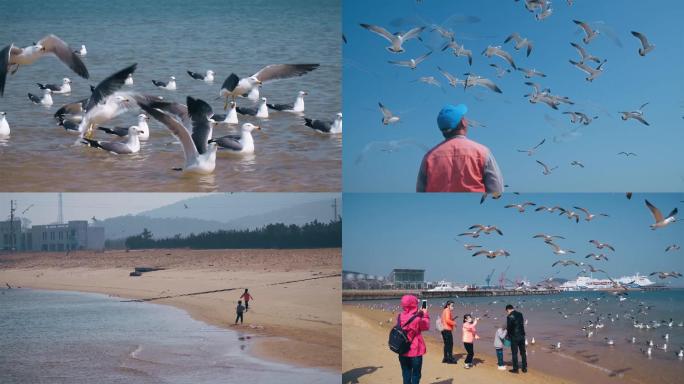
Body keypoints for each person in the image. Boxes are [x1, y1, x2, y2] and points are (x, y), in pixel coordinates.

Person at [416, 104, 504, 193]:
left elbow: (420, 192)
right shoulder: (482, 152)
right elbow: (496, 189)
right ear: (463, 122)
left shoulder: (429, 157)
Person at [397, 295, 430, 384]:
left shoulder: (400, 316)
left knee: (406, 373)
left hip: (402, 349)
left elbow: (405, 325)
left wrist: (418, 314)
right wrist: (425, 314)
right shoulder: (417, 318)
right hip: (415, 350)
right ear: (414, 304)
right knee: (416, 374)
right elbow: (426, 326)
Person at [506, 304, 527, 373]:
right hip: (522, 335)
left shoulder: (509, 316)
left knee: (514, 353)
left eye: (507, 311)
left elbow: (509, 327)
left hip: (514, 337)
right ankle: (524, 368)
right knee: (523, 352)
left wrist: (508, 336)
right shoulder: (520, 314)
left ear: (508, 309)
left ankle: (515, 369)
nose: (507, 312)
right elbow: (521, 324)